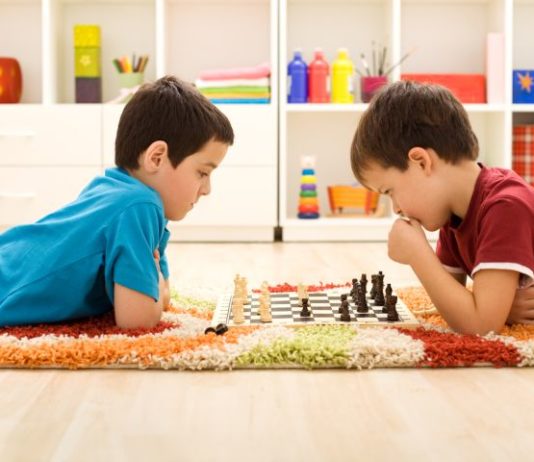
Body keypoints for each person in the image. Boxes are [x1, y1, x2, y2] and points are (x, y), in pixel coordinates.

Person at [0, 76, 234, 328]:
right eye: (203, 173)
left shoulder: (117, 190)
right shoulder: (138, 206)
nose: (207, 189)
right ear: (156, 158)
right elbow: (138, 320)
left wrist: (154, 285)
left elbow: (161, 299)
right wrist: (154, 281)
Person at [350, 80, 534, 335]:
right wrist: (496, 308)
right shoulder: (454, 213)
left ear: (421, 162)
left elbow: (480, 327)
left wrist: (418, 254)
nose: (396, 208)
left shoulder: (506, 206)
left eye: (390, 191)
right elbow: (454, 302)